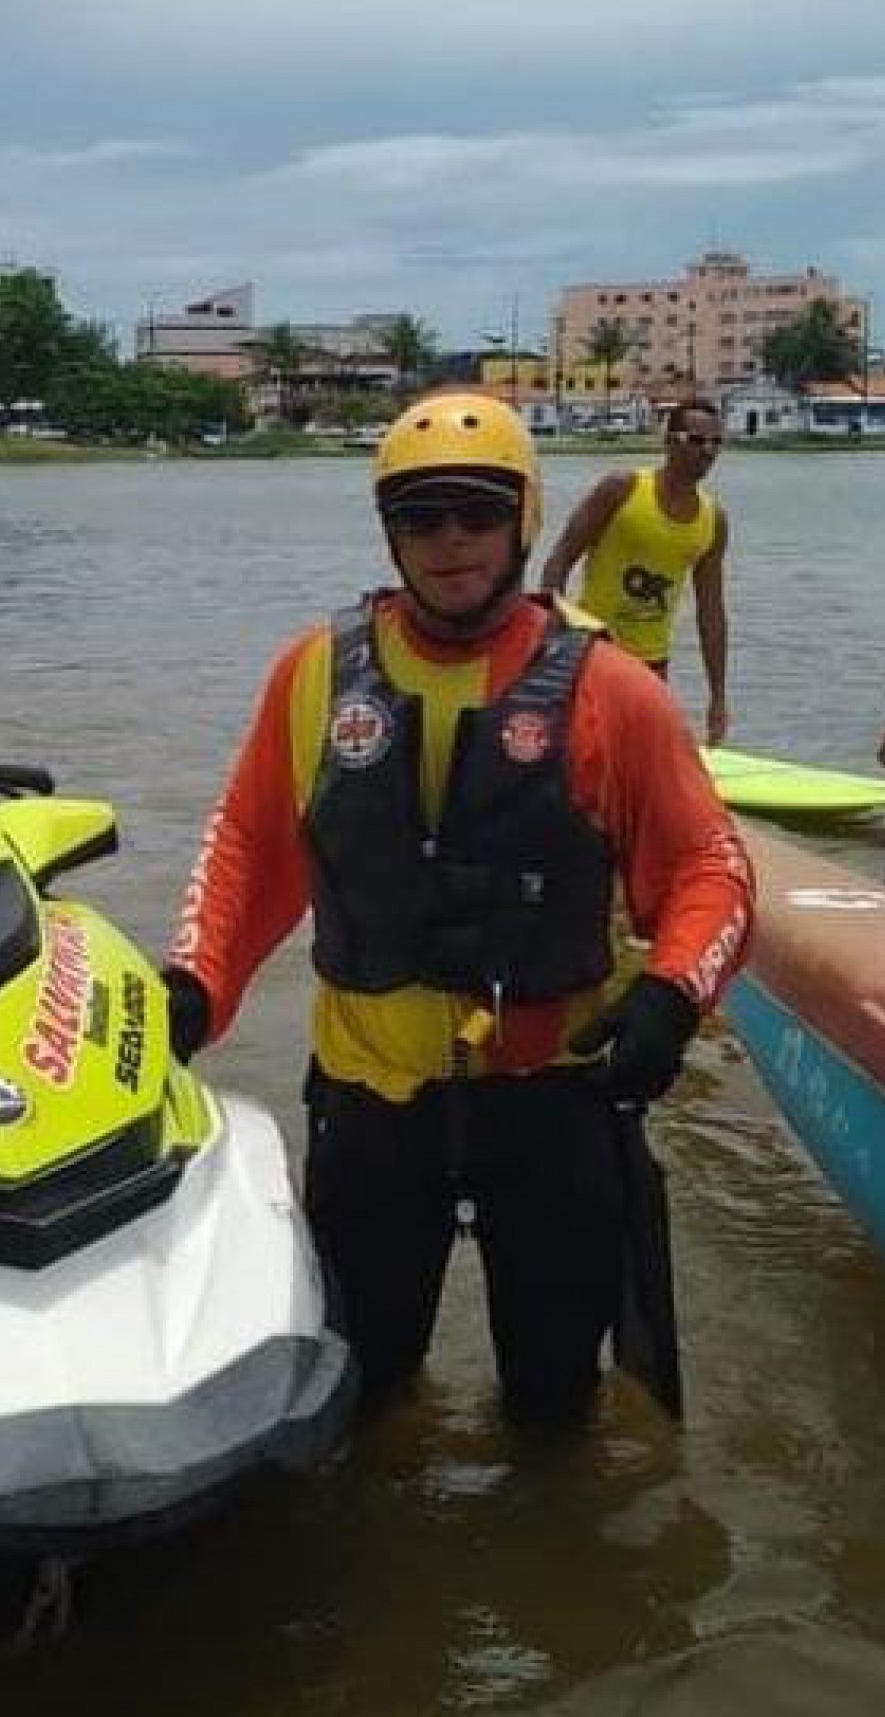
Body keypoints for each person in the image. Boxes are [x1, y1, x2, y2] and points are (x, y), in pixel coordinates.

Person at [163, 389, 753, 1423]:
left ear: (523, 518)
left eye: (476, 513)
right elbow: (253, 849)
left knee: (555, 1413)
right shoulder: (311, 677)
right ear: (387, 531)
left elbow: (712, 868)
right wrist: (194, 989)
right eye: (418, 517)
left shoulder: (612, 690)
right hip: (373, 1103)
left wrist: (670, 997)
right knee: (362, 1394)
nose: (448, 542)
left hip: (555, 1101)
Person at [538, 401, 730, 745]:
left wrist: (718, 697)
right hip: (593, 653)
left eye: (716, 442)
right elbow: (561, 557)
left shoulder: (713, 520)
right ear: (670, 440)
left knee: (641, 758)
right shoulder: (621, 489)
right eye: (697, 440)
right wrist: (551, 636)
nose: (708, 451)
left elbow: (711, 613)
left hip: (652, 666)